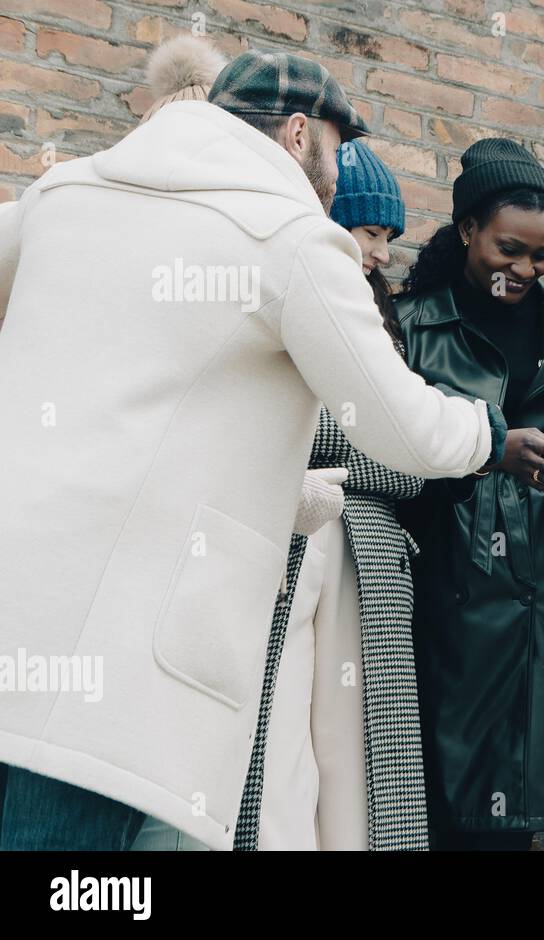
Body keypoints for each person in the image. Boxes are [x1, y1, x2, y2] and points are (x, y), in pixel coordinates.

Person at [0, 51, 503, 851]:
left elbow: (149, 403)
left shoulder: (57, 197)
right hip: (123, 688)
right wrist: (494, 433)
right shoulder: (290, 237)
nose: (339, 176)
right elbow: (398, 425)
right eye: (337, 152)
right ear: (299, 134)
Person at [394, 138, 544, 851]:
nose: (525, 270)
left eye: (542, 255)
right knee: (434, 813)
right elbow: (393, 472)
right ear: (466, 230)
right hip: (448, 603)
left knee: (511, 828)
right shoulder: (414, 327)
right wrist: (489, 457)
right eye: (509, 249)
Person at [235, 139, 435, 851]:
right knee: (276, 755)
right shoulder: (278, 288)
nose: (382, 253)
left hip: (367, 561)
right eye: (370, 232)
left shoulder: (383, 321)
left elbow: (411, 460)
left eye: (388, 238)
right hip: (282, 548)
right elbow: (256, 430)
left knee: (358, 764)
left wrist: (326, 447)